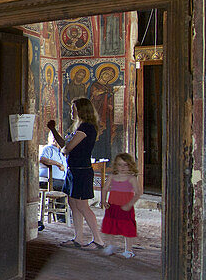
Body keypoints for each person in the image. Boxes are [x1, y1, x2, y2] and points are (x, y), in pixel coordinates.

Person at [48, 97, 101, 249]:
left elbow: (67, 148)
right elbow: (64, 145)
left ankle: (98, 240)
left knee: (83, 206)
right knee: (73, 203)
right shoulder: (79, 128)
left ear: (81, 110)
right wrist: (53, 130)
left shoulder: (86, 128)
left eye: (73, 109)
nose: (71, 112)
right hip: (74, 171)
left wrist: (65, 150)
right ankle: (78, 238)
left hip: (82, 171)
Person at [99, 153, 141, 258]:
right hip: (112, 206)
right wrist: (103, 201)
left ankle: (129, 250)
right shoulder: (112, 177)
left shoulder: (132, 178)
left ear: (130, 165)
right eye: (119, 164)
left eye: (125, 165)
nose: (122, 168)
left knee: (128, 228)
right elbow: (104, 189)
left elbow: (138, 193)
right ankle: (111, 245)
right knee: (110, 226)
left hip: (126, 207)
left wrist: (130, 204)